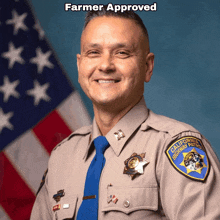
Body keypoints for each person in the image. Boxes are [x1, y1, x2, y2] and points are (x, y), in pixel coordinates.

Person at [30, 6, 220, 220]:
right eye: (93, 53)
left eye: (121, 53)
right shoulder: (62, 157)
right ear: (79, 64)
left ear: (147, 67)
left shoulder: (174, 148)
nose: (105, 65)